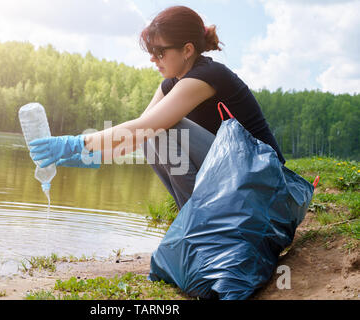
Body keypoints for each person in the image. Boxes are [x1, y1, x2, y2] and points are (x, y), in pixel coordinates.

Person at [29, 6, 285, 211]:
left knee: (160, 129)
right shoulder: (169, 85)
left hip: (267, 183)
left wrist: (74, 142)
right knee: (149, 136)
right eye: (151, 51)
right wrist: (80, 156)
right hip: (236, 174)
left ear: (187, 50)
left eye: (159, 51)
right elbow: (133, 139)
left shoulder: (208, 75)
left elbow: (145, 127)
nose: (152, 58)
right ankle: (198, 218)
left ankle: (201, 221)